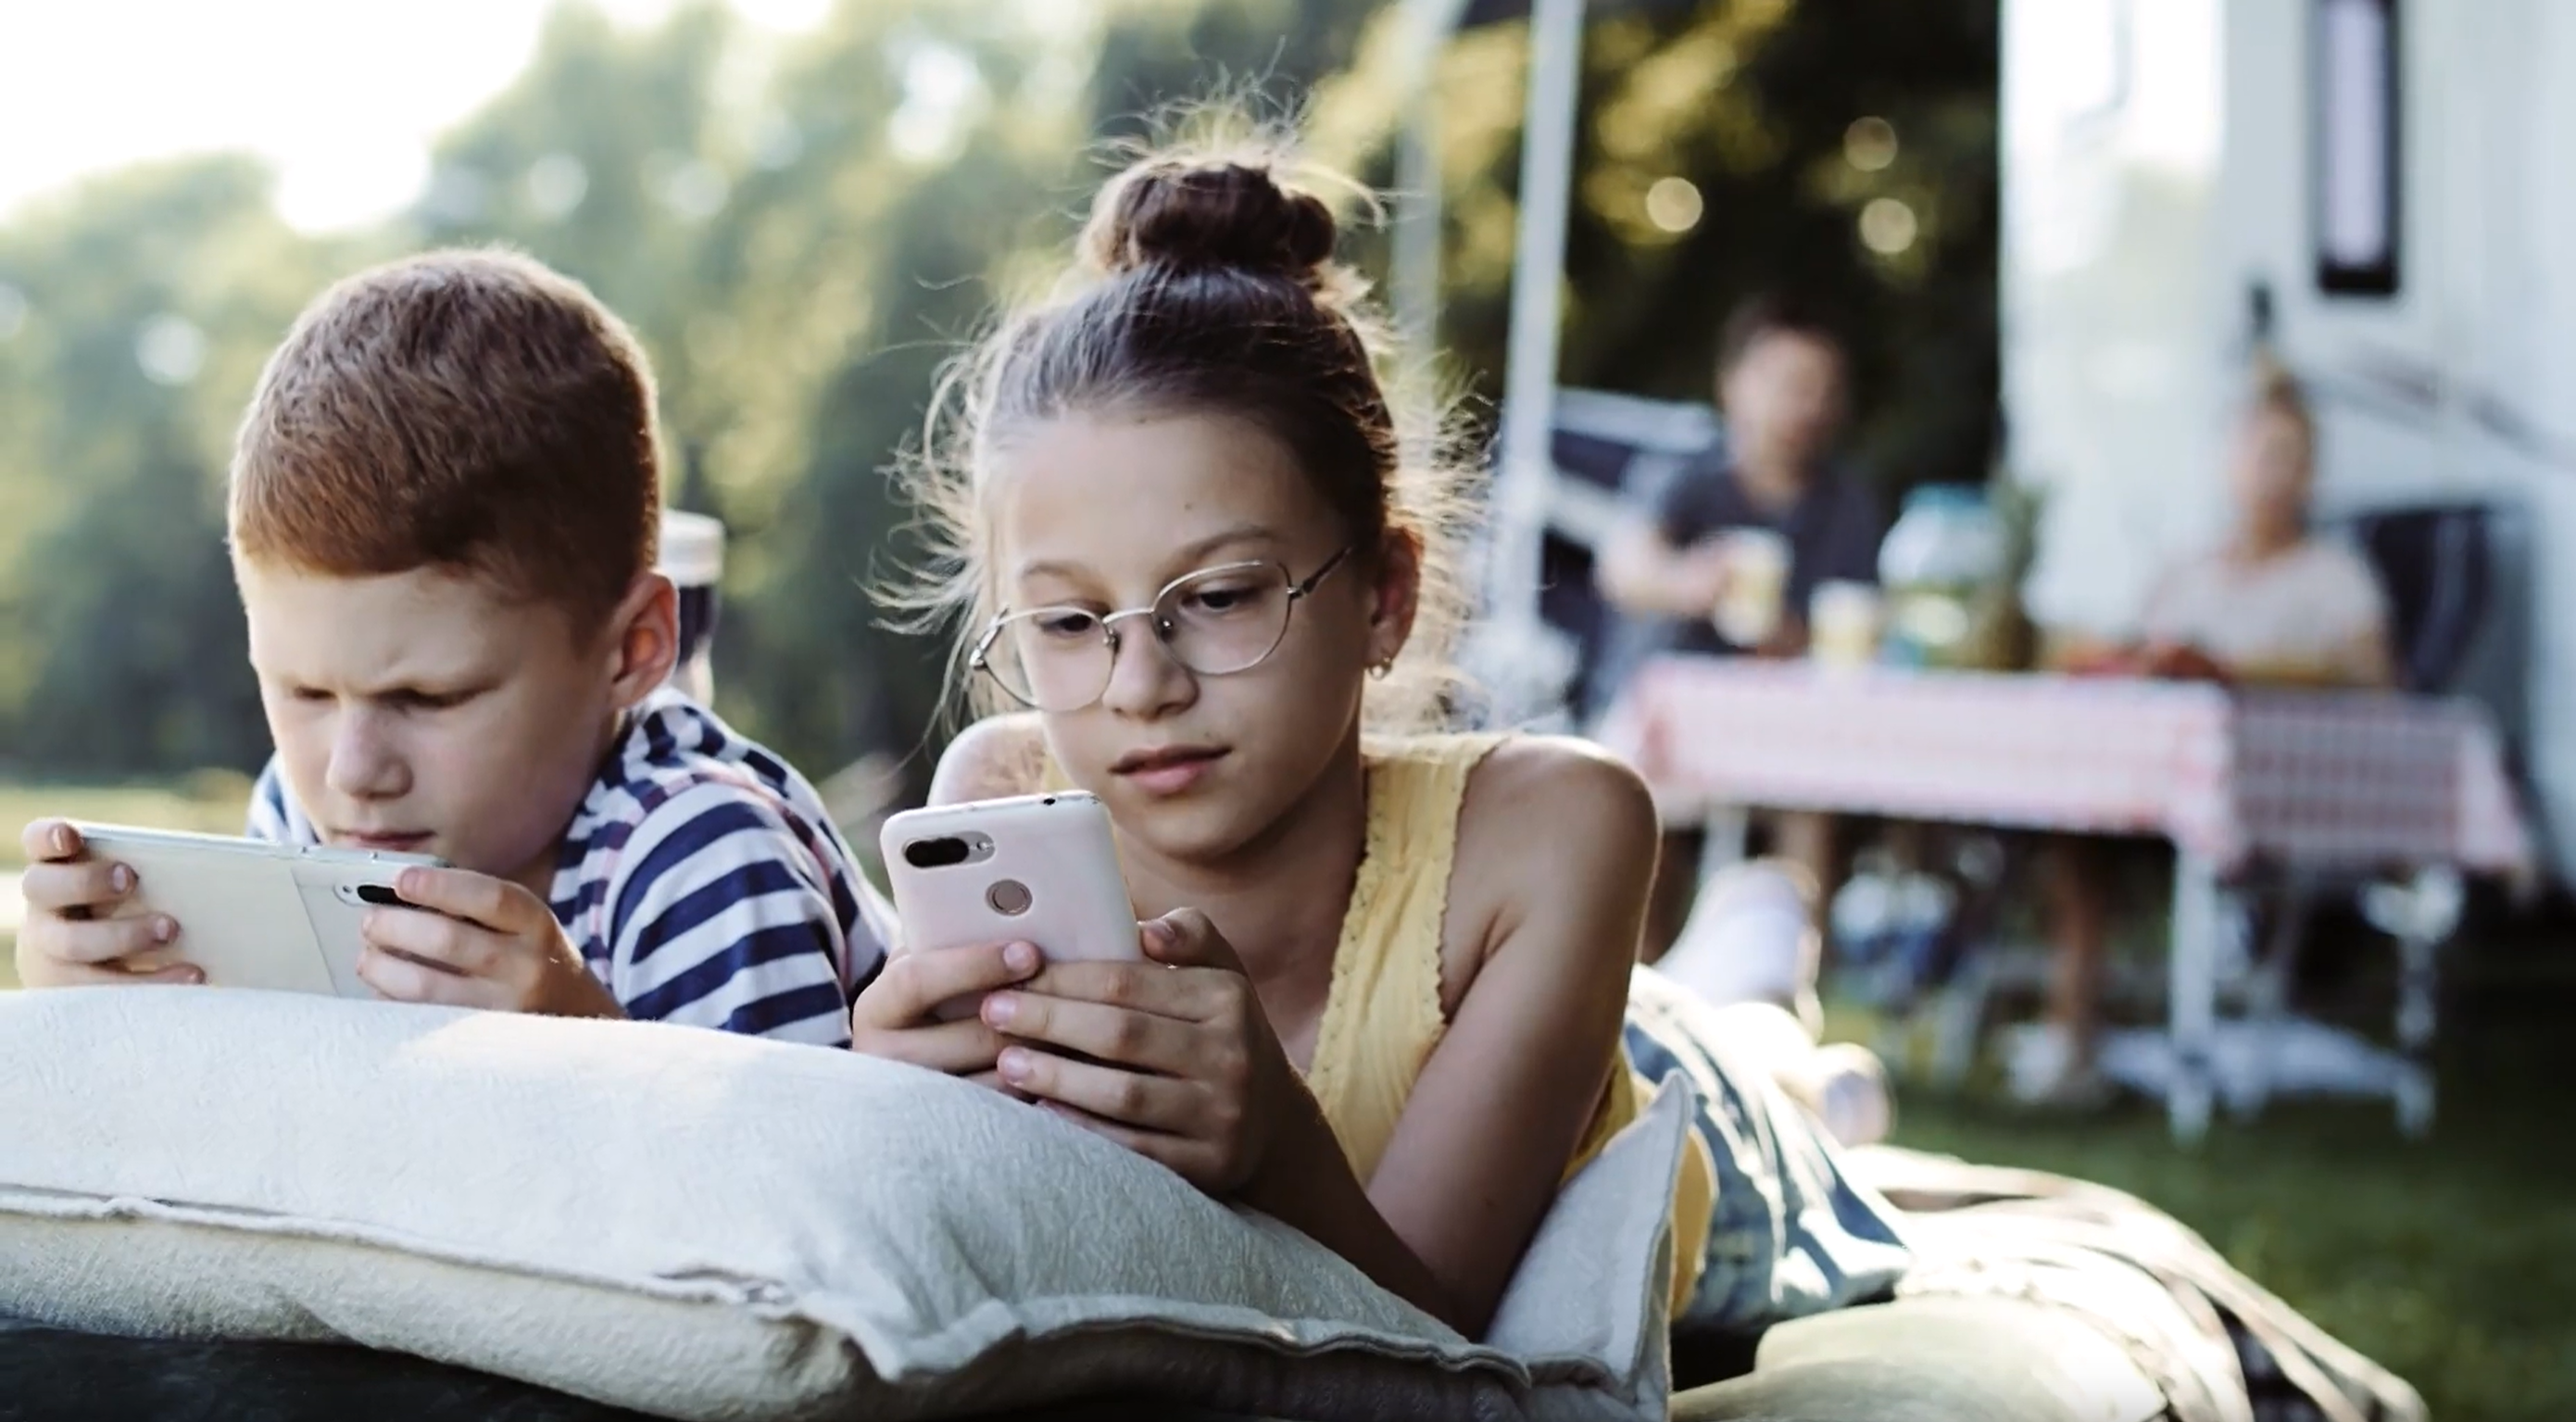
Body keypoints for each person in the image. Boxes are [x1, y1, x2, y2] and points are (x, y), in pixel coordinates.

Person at [848, 141, 1909, 1340]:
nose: (1137, 683)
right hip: (1559, 1016)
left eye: (1219, 596)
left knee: (1764, 1070)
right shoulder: (1004, 792)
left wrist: (1278, 1149)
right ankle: (1749, 967)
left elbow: (1442, 1334)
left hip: (1684, 1135)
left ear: (1385, 595)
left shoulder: (1559, 828)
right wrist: (902, 1106)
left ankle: (1781, 1019)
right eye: (1068, 619)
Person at [14, 250, 893, 1044]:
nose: (353, 771)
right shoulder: (301, 811)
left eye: (427, 699)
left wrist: (582, 1038)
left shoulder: (701, 854)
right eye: (305, 693)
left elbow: (793, 1196)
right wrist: (97, 1008)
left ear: (633, 648)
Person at [2020, 367, 2395, 1106]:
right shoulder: (2188, 572)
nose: (2269, 474)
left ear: (2311, 472)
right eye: (2258, 453)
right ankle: (2073, 1036)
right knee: (2072, 829)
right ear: (2228, 462)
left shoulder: (2335, 577)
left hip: (2281, 799)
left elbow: (2375, 687)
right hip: (2157, 792)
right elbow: (2139, 662)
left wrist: (2246, 670)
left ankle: (2099, 1038)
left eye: (2287, 456)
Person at [1590, 293, 1888, 990]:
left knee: (1812, 794)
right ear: (1735, 386)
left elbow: (1856, 624)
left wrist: (1795, 636)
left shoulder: (1846, 501)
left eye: (1820, 387)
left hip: (1788, 727)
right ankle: (1631, 994)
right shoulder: (1689, 476)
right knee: (1640, 817)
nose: (1805, 405)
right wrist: (1687, 579)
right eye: (1788, 383)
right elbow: (1623, 564)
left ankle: (1782, 983)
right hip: (1670, 723)